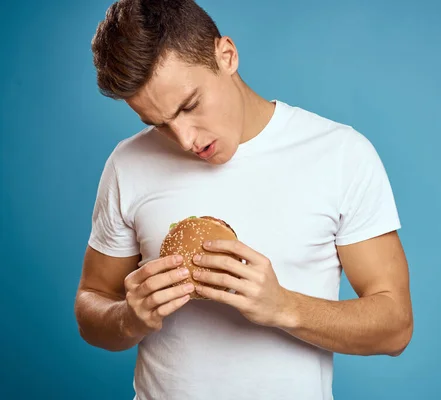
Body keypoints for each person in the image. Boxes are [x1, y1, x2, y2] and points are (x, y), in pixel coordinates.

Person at [74, 1, 413, 399]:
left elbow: (395, 326)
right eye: (159, 123)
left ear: (227, 56)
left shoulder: (340, 155)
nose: (186, 139)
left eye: (190, 106)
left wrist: (284, 306)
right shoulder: (128, 163)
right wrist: (128, 318)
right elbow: (91, 302)